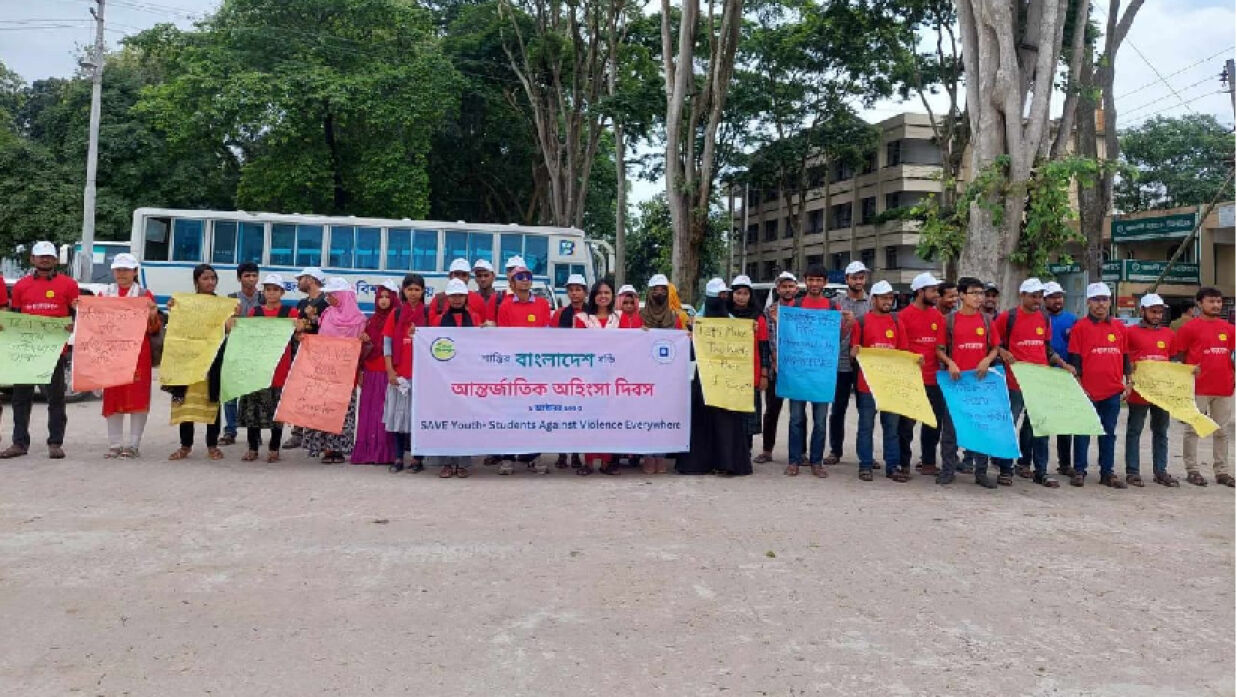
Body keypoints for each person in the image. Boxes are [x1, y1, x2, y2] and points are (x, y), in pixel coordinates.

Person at [991, 278, 1075, 488]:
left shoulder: (1044, 318)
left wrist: (1064, 364)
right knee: (1010, 425)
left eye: (1040, 296)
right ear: (1022, 295)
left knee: (1039, 427)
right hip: (1014, 382)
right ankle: (1005, 469)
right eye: (1033, 296)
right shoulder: (1007, 318)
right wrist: (1002, 351)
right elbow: (992, 343)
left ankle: (1041, 471)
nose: (1037, 300)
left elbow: (1046, 348)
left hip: (1039, 381)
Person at [0, 241, 79, 460]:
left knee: (55, 399)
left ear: (55, 260)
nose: (45, 259)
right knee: (20, 399)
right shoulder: (20, 286)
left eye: (49, 256)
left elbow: (77, 314)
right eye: (40, 256)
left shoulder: (69, 284)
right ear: (32, 259)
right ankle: (19, 443)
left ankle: (55, 443)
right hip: (25, 351)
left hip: (54, 351)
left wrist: (73, 325)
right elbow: (14, 316)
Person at [677, 279, 753, 477]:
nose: (722, 299)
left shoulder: (733, 323)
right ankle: (699, 462)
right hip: (702, 380)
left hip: (726, 381)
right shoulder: (695, 323)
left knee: (726, 421)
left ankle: (727, 462)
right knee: (701, 419)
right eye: (718, 296)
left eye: (724, 296)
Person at [935, 277, 1002, 486]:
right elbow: (938, 349)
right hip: (956, 383)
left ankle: (981, 473)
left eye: (981, 293)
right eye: (974, 293)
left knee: (981, 427)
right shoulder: (949, 321)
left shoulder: (987, 321)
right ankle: (948, 470)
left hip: (980, 383)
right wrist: (950, 362)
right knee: (951, 430)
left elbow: (995, 347)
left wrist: (987, 360)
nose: (979, 297)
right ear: (962, 295)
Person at [98, 253, 162, 459]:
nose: (122, 274)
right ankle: (114, 444)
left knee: (137, 396)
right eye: (118, 270)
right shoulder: (104, 294)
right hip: (112, 353)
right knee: (113, 396)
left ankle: (133, 444)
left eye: (126, 270)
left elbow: (154, 329)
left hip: (137, 354)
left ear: (135, 272)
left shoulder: (144, 295)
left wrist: (153, 315)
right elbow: (94, 323)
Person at [1068, 282, 1129, 489]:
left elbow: (1125, 357)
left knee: (1108, 432)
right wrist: (1079, 385)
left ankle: (1107, 472)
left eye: (1104, 300)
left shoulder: (1120, 327)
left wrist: (1128, 382)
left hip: (1112, 389)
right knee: (1083, 430)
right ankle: (1079, 470)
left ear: (1110, 302)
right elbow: (1075, 360)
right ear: (1088, 302)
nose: (1100, 304)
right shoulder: (1080, 327)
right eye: (1096, 300)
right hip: (1087, 390)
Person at [167, 264, 230, 462]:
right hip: (188, 360)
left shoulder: (222, 304)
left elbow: (227, 330)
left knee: (213, 401)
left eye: (213, 278)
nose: (210, 282)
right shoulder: (185, 303)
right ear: (196, 281)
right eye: (205, 278)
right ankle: (185, 445)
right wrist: (174, 309)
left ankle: (212, 445)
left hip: (212, 360)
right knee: (185, 401)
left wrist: (231, 317)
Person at [492, 263, 552, 474]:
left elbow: (547, 335)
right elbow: (504, 338)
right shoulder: (505, 306)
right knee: (510, 413)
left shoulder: (543, 304)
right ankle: (507, 457)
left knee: (533, 413)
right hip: (512, 368)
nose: (525, 279)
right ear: (512, 282)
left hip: (536, 368)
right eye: (520, 277)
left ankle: (532, 456)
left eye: (528, 276)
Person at [303, 277, 367, 464]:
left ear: (342, 295)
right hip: (325, 372)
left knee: (343, 411)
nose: (328, 297)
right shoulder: (327, 315)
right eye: (328, 294)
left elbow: (360, 348)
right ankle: (324, 446)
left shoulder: (359, 320)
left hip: (346, 373)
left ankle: (338, 449)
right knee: (324, 408)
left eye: (332, 294)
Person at [1176, 286, 1235, 487]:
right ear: (1200, 304)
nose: (1216, 305)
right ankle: (1192, 469)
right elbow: (1179, 355)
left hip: (1224, 387)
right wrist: (1187, 371)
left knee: (1222, 431)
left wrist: (1233, 377)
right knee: (1193, 430)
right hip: (1198, 387)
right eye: (1211, 301)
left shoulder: (1229, 329)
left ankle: (1222, 471)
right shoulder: (1189, 328)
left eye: (1219, 302)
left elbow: (1232, 356)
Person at [898, 272, 954, 478]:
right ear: (920, 292)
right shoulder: (903, 316)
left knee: (933, 423)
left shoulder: (938, 317)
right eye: (932, 291)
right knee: (906, 425)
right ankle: (903, 463)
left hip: (934, 378)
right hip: (911, 379)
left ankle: (928, 462)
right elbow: (900, 348)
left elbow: (941, 347)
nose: (936, 295)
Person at [238, 274, 298, 463]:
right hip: (258, 368)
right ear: (263, 291)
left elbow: (298, 335)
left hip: (280, 369)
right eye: (268, 289)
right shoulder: (254, 312)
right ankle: (253, 447)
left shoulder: (290, 313)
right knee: (253, 411)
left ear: (282, 292)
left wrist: (302, 328)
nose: (271, 293)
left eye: (275, 289)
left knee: (276, 412)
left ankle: (274, 448)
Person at [786, 265, 836, 478]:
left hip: (822, 375)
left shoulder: (832, 307)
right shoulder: (795, 305)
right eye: (811, 280)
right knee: (796, 419)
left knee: (821, 421)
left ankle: (817, 461)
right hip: (798, 373)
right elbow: (787, 336)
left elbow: (837, 339)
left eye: (819, 280)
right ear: (804, 281)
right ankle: (794, 460)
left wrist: (846, 326)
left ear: (825, 282)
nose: (815, 284)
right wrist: (780, 322)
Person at [1124, 293, 1178, 487]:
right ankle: (1132, 471)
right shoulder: (1129, 333)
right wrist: (1129, 377)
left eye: (1160, 312)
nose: (1157, 315)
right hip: (1139, 391)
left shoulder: (1169, 334)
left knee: (1161, 431)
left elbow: (1172, 362)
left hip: (1161, 392)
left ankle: (1161, 471)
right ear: (1143, 311)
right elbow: (1125, 360)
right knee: (1134, 431)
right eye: (1153, 311)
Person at [851, 280, 903, 481]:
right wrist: (854, 352)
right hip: (867, 385)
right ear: (873, 299)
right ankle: (865, 465)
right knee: (866, 426)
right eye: (884, 298)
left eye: (890, 298)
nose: (888, 301)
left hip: (891, 385)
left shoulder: (897, 322)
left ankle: (892, 466)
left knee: (891, 428)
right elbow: (854, 350)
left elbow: (903, 352)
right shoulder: (861, 322)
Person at [430, 279, 481, 478]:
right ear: (448, 298)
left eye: (460, 296)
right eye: (453, 296)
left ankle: (463, 462)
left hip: (467, 377)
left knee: (465, 421)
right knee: (446, 420)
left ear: (465, 297)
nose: (457, 299)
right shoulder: (437, 320)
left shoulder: (475, 319)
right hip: (445, 378)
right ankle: (447, 462)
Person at [574, 279, 622, 474]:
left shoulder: (619, 319)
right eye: (599, 293)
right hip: (589, 377)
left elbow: (630, 344)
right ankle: (588, 461)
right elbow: (576, 346)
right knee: (589, 418)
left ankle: (606, 462)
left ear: (612, 296)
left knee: (609, 418)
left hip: (613, 377)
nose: (603, 296)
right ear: (593, 296)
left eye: (607, 292)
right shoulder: (582, 319)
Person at [384, 274, 430, 473]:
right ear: (403, 291)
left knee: (417, 418)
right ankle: (398, 457)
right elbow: (386, 344)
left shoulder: (428, 315)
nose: (413, 293)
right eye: (409, 289)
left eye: (417, 289)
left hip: (421, 375)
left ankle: (417, 459)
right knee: (397, 417)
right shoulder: (395, 314)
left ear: (423, 292)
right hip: (399, 374)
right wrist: (390, 371)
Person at [638, 274, 684, 475]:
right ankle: (648, 456)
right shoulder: (640, 316)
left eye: (662, 290)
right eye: (655, 289)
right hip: (645, 375)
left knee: (665, 415)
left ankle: (662, 456)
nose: (659, 293)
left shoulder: (676, 318)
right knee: (647, 415)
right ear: (649, 292)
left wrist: (687, 337)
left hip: (667, 375)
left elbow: (684, 344)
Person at [351, 279, 398, 466]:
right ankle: (367, 452)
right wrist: (363, 340)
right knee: (369, 412)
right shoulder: (370, 321)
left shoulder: (397, 319)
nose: (384, 301)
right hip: (371, 372)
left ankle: (384, 454)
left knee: (384, 412)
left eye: (388, 297)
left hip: (388, 372)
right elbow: (363, 350)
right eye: (381, 297)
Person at [827, 260, 870, 465]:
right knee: (838, 409)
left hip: (865, 365)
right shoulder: (835, 303)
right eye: (854, 277)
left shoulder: (873, 303)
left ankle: (866, 454)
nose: (858, 281)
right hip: (840, 363)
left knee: (866, 411)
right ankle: (835, 450)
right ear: (846, 279)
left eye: (861, 277)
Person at [753, 272, 799, 465]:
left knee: (798, 414)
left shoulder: (803, 311)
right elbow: (766, 340)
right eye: (783, 287)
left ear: (796, 289)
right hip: (775, 370)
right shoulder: (768, 311)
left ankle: (799, 453)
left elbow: (803, 338)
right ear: (778, 289)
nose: (787, 290)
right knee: (772, 410)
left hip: (799, 370)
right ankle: (767, 450)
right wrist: (770, 361)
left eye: (791, 286)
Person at [283, 267, 329, 450]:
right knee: (298, 392)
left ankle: (314, 435)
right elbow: (297, 328)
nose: (298, 282)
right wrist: (297, 333)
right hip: (301, 353)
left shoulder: (327, 301)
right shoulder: (302, 303)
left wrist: (314, 317)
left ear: (310, 279)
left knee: (317, 394)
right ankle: (297, 433)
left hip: (320, 356)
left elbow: (330, 326)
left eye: (301, 278)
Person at [727, 275, 769, 464]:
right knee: (730, 414)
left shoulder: (758, 317)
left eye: (745, 293)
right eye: (737, 293)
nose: (741, 297)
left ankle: (746, 451)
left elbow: (764, 347)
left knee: (747, 417)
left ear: (750, 296)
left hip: (751, 373)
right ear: (732, 294)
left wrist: (764, 373)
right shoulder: (724, 314)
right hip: (728, 374)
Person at [220, 262, 263, 446]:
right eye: (247, 276)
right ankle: (230, 430)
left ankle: (255, 432)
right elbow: (225, 327)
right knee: (230, 393)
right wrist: (234, 316)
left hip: (257, 352)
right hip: (234, 350)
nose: (251, 279)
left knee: (255, 393)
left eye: (254, 275)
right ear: (239, 278)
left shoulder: (264, 298)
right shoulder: (230, 300)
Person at [552, 273, 589, 470]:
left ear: (585, 292)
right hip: (563, 368)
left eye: (578, 289)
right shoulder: (559, 314)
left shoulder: (591, 314)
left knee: (580, 412)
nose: (574, 293)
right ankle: (562, 453)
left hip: (586, 369)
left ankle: (577, 453)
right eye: (571, 289)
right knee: (563, 412)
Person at [1040, 281, 1076, 476]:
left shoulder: (1072, 319)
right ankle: (1034, 463)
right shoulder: (1039, 318)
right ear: (1044, 299)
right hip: (1042, 374)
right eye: (1053, 297)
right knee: (1040, 421)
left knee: (1065, 422)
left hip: (1065, 375)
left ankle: (1064, 463)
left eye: (1060, 296)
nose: (1058, 300)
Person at [430, 258, 485, 323]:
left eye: (464, 275)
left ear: (469, 277)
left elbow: (482, 326)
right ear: (450, 276)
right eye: (457, 274)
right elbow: (431, 327)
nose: (460, 278)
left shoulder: (478, 300)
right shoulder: (438, 300)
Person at [472, 259, 502, 324]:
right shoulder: (471, 298)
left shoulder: (501, 298)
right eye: (479, 276)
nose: (483, 279)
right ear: (475, 279)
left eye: (486, 275)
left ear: (493, 277)